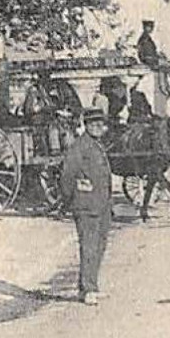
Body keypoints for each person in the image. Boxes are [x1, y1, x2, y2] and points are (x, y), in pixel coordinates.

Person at [59, 107, 114, 305]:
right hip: (86, 206)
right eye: (94, 124)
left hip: (101, 205)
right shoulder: (79, 146)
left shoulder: (96, 145)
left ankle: (90, 286)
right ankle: (88, 288)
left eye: (101, 124)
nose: (99, 127)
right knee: (89, 246)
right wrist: (71, 200)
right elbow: (67, 175)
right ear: (86, 125)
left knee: (99, 245)